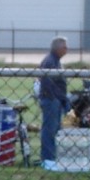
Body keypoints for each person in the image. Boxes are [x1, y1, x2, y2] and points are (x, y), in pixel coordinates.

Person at [38, 36, 69, 169]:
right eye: (65, 47)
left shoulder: (56, 61)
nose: (67, 50)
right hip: (51, 100)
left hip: (56, 99)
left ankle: (52, 156)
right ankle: (48, 158)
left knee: (55, 129)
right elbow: (47, 83)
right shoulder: (50, 61)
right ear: (58, 48)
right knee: (50, 130)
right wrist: (54, 98)